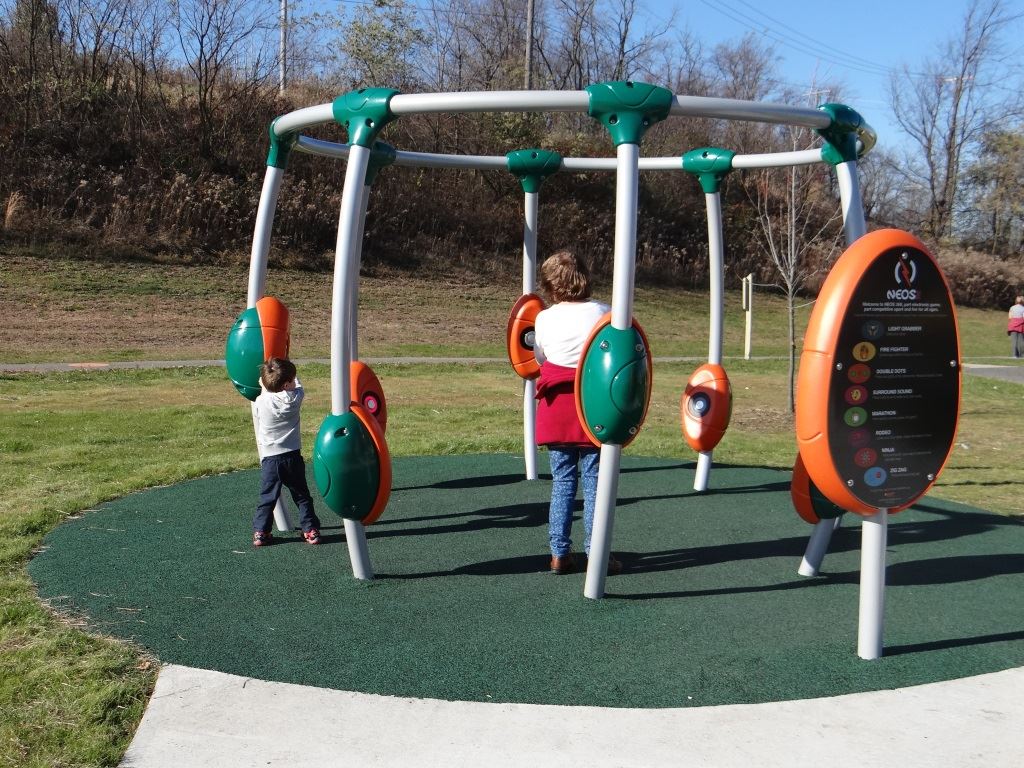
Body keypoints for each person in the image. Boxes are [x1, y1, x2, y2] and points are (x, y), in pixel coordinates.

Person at [533, 250, 622, 575]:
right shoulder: (605, 312)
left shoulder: (544, 318)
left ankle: (558, 553)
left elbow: (542, 359)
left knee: (563, 481)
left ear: (550, 284)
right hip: (593, 405)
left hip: (557, 407)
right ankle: (596, 554)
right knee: (595, 482)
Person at [251, 357, 322, 546]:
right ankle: (310, 530)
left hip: (270, 460)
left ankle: (261, 531)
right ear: (286, 384)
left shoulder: (260, 401)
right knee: (301, 495)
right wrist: (291, 378)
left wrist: (266, 383)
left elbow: (267, 394)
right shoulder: (295, 398)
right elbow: (297, 386)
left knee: (267, 497)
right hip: (292, 456)